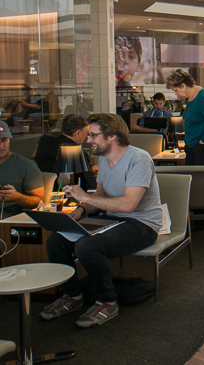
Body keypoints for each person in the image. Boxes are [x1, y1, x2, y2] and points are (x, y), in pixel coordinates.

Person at [41, 113, 162, 328]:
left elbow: (128, 205)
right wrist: (79, 211)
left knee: (86, 246)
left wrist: (85, 196)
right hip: (112, 219)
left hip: (142, 225)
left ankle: (107, 301)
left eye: (94, 136)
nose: (88, 140)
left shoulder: (139, 159)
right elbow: (101, 199)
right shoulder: (105, 161)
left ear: (113, 137)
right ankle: (72, 295)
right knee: (55, 241)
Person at [166, 69, 204, 168]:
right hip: (193, 145)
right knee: (191, 178)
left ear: (183, 86)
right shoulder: (189, 96)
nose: (176, 93)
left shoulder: (202, 99)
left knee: (202, 181)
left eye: (176, 90)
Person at [34, 114, 96, 190]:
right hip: (67, 191)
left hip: (40, 186)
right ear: (78, 133)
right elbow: (90, 181)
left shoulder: (45, 141)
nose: (87, 138)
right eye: (87, 133)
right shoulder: (74, 151)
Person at [0, 120, 44, 217]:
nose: (1, 146)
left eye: (4, 140)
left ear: (9, 140)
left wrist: (16, 197)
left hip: (12, 220)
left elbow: (39, 201)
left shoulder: (26, 165)